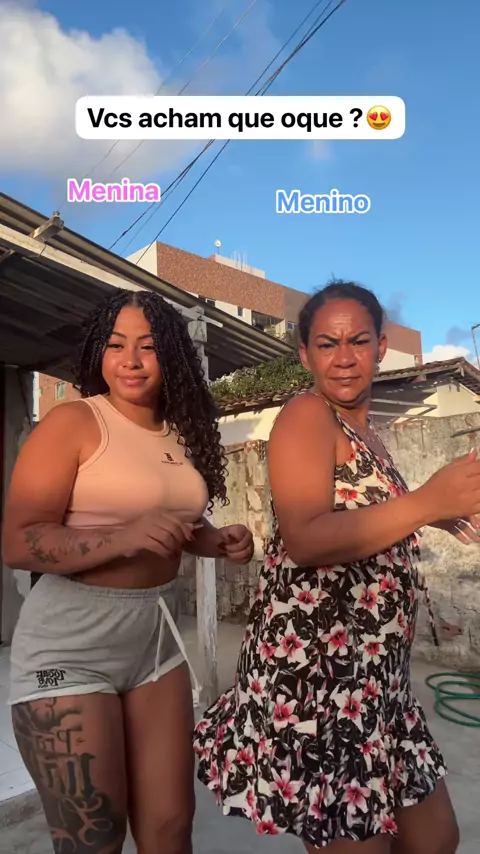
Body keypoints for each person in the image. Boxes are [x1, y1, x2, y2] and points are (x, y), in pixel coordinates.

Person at [194, 280, 480, 853]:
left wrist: (435, 513)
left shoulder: (369, 435)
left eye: (359, 341)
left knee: (435, 840)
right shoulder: (306, 415)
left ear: (381, 348)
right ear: (305, 355)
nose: (344, 357)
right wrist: (426, 503)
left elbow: (368, 515)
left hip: (379, 685)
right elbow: (306, 538)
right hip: (320, 685)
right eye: (327, 344)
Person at [2, 288, 254, 854]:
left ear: (172, 354)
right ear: (99, 353)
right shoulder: (74, 422)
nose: (131, 360)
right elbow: (19, 542)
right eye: (116, 345)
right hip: (69, 644)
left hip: (153, 638)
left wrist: (216, 541)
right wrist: (120, 537)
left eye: (148, 345)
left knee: (171, 826)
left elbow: (178, 526)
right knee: (94, 836)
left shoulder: (182, 432)